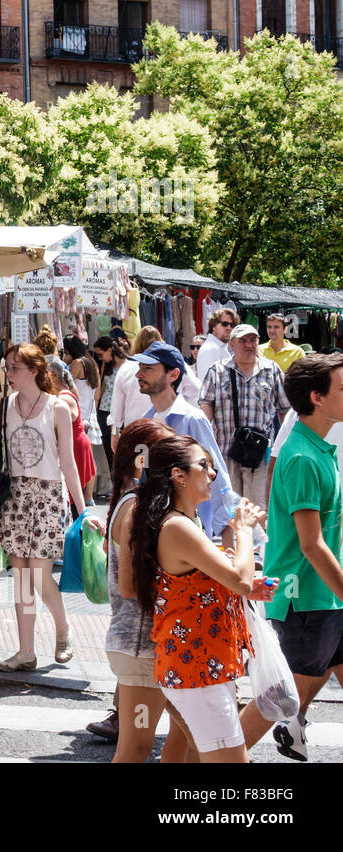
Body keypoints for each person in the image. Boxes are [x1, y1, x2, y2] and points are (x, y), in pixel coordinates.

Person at [128, 434, 270, 763]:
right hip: (197, 671)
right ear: (179, 476)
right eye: (204, 466)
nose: (213, 473)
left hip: (200, 668)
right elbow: (239, 579)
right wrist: (245, 529)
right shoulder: (177, 526)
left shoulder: (186, 522)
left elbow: (213, 581)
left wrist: (242, 584)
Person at [239, 352, 343, 761]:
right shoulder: (302, 457)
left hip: (326, 598)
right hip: (306, 603)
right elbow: (311, 544)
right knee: (277, 702)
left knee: (283, 699)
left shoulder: (319, 448)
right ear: (317, 397)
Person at [0, 344, 97, 671]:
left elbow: (69, 463)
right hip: (15, 494)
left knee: (38, 574)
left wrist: (84, 510)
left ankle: (63, 628)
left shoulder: (57, 407)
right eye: (7, 368)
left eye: (15, 368)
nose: (9, 374)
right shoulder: (3, 406)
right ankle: (26, 652)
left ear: (34, 370)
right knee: (21, 576)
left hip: (48, 494)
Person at [95, 418, 195, 761]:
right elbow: (129, 586)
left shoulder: (146, 503)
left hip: (156, 644)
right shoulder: (137, 506)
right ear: (143, 460)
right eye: (164, 452)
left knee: (191, 736)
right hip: (142, 647)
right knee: (137, 746)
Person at [135, 341, 236, 544]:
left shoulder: (193, 419)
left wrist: (228, 541)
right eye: (140, 368)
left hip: (192, 533)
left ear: (173, 375)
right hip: (156, 531)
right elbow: (140, 474)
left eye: (148, 369)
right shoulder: (145, 423)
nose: (139, 374)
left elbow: (217, 477)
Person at [200, 323, 291, 513]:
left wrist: (286, 446)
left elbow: (285, 410)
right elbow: (206, 405)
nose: (249, 345)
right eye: (243, 340)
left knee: (257, 509)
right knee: (229, 511)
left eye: (253, 340)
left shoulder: (271, 370)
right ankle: (235, 543)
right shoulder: (217, 371)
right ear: (232, 345)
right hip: (226, 453)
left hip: (260, 455)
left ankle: (257, 543)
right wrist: (203, 445)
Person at [47, 355, 97, 508]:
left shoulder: (62, 399)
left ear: (53, 376)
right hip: (76, 446)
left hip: (75, 448)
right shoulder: (63, 395)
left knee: (72, 498)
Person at [93, 335, 126, 464]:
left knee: (122, 450)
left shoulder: (127, 364)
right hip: (105, 411)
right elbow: (101, 389)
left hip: (121, 412)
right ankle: (114, 480)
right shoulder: (106, 366)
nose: (100, 358)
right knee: (109, 450)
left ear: (109, 350)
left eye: (100, 355)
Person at [196, 307, 237, 385]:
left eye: (232, 325)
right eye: (224, 324)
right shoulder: (210, 349)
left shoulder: (220, 347)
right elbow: (209, 385)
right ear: (213, 326)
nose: (229, 328)